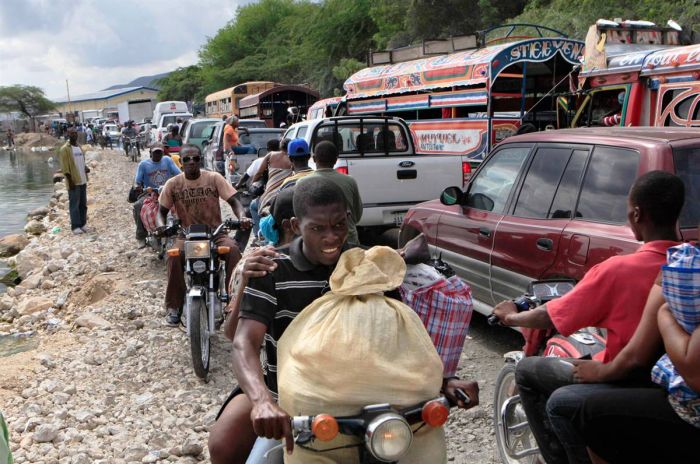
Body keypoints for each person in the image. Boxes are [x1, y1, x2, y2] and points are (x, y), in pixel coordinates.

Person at [208, 178, 479, 463]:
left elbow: (402, 341)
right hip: (292, 404)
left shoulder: (368, 267)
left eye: (339, 225)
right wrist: (263, 402)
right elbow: (244, 343)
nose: (331, 237)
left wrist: (446, 380)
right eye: (317, 228)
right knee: (231, 449)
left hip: (373, 405)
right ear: (294, 225)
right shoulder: (273, 269)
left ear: (348, 219)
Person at [491, 170, 685, 464]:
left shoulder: (619, 269)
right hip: (672, 386)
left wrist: (512, 318)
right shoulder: (688, 263)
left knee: (529, 372)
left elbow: (550, 316)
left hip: (627, 381)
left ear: (636, 214)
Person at [554, 240, 700, 463]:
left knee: (572, 407)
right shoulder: (683, 258)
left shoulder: (666, 264)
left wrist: (664, 314)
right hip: (659, 381)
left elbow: (638, 360)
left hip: (686, 406)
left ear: (636, 216)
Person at [156, 144, 251, 325]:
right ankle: (174, 306)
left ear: (201, 159)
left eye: (196, 158)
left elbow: (235, 201)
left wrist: (242, 217)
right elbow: (161, 212)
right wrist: (161, 227)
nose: (192, 162)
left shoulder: (214, 178)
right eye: (187, 159)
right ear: (181, 163)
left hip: (215, 232)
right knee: (173, 257)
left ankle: (234, 300)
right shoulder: (173, 184)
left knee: (232, 251)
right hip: (186, 235)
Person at [297, 140, 362, 245]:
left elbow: (300, 217)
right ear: (336, 160)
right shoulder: (349, 181)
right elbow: (357, 216)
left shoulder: (301, 183)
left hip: (316, 244)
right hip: (348, 241)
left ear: (313, 159)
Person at [132, 144, 181, 248]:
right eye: (155, 152)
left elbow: (179, 173)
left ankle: (183, 231)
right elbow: (137, 181)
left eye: (160, 152)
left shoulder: (167, 160)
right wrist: (138, 187)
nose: (158, 154)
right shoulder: (143, 165)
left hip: (167, 191)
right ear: (150, 153)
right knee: (138, 206)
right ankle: (141, 236)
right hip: (150, 192)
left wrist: (182, 180)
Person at [58, 127, 90, 235]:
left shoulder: (79, 147)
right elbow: (65, 167)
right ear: (68, 134)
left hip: (83, 179)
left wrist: (85, 168)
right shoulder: (65, 149)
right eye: (72, 133)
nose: (74, 135)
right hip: (74, 181)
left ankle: (83, 224)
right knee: (74, 205)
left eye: (75, 133)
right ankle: (75, 226)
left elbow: (81, 161)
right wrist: (70, 181)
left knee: (83, 204)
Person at [255, 138, 293, 214]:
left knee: (253, 206)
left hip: (269, 196)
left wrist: (253, 183)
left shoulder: (270, 155)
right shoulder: (292, 158)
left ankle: (258, 226)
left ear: (280, 146)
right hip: (286, 195)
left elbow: (259, 173)